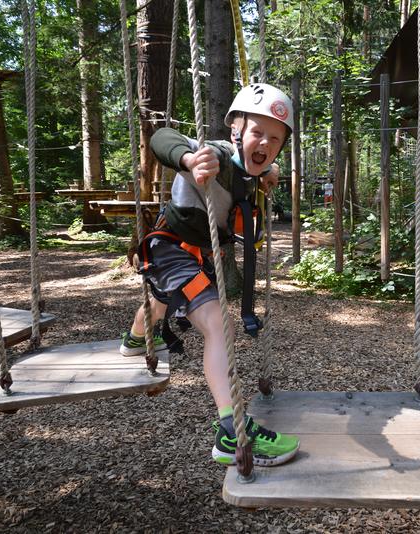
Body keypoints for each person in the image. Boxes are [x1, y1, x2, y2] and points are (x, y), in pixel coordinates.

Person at [120, 84, 300, 467]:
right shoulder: (213, 153)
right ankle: (230, 432)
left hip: (197, 255)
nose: (265, 143)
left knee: (161, 300)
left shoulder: (255, 165)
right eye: (256, 133)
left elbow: (260, 165)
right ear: (235, 130)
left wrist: (270, 170)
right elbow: (162, 139)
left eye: (275, 139)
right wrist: (189, 160)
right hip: (170, 248)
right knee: (219, 325)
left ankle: (135, 341)